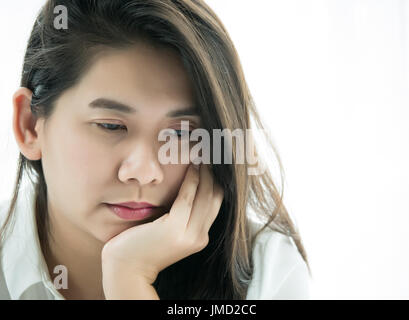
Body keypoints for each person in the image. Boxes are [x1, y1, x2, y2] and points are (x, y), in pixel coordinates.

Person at [0, 0, 312, 300]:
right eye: (111, 126)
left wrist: (130, 278)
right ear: (29, 125)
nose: (144, 172)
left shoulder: (267, 275)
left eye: (180, 133)